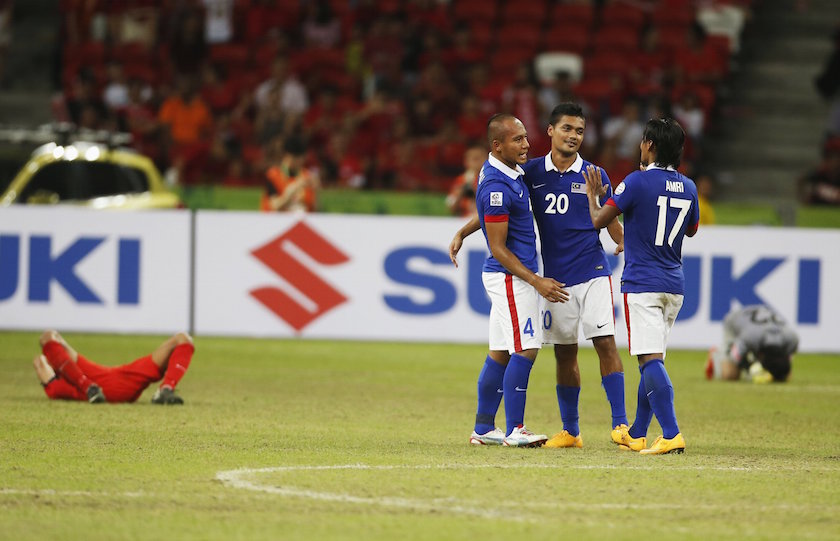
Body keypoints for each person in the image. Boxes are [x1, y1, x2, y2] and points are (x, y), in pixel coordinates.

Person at [450, 103, 632, 450]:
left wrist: (624, 244)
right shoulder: (529, 172)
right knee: (564, 353)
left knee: (605, 342)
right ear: (551, 131)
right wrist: (465, 230)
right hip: (554, 279)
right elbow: (497, 208)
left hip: (593, 271)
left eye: (579, 131)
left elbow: (611, 221)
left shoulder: (595, 174)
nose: (573, 136)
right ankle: (570, 431)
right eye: (567, 129)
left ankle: (620, 424)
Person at [583, 117, 699, 455]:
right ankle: (636, 431)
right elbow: (690, 230)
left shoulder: (635, 182)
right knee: (652, 359)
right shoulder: (690, 187)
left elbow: (597, 222)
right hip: (673, 284)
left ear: (649, 144)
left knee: (650, 360)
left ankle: (672, 432)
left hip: (643, 282)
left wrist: (594, 197)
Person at [451, 113, 568, 447]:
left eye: (525, 137)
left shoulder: (508, 172)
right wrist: (536, 280)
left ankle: (484, 429)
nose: (526, 144)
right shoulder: (496, 185)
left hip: (509, 277)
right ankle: (516, 429)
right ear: (497, 145)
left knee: (500, 352)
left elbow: (489, 216)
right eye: (517, 140)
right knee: (527, 347)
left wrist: (462, 230)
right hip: (510, 277)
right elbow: (499, 248)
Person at [32, 330, 194, 405]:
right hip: (125, 382)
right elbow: (41, 361)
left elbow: (40, 362)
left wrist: (52, 362)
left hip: (90, 378)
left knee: (48, 337)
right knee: (183, 338)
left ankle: (89, 388)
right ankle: (167, 388)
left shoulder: (56, 387)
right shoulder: (56, 388)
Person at [706, 304, 798, 383]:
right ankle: (716, 355)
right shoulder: (749, 337)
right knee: (730, 375)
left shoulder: (792, 340)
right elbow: (735, 356)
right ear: (761, 356)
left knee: (782, 376)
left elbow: (785, 362)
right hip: (734, 323)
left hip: (758, 328)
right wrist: (751, 369)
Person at [261, 136, 319, 212]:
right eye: (294, 158)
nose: (298, 162)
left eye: (300, 158)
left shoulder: (307, 177)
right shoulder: (273, 175)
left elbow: (316, 209)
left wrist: (317, 191)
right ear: (286, 155)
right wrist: (290, 193)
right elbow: (273, 206)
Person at [445, 145, 484, 217]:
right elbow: (451, 209)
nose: (476, 162)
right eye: (473, 159)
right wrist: (460, 194)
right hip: (465, 221)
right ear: (466, 162)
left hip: (485, 221)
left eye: (479, 158)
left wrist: (476, 192)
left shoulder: (491, 179)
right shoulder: (461, 180)